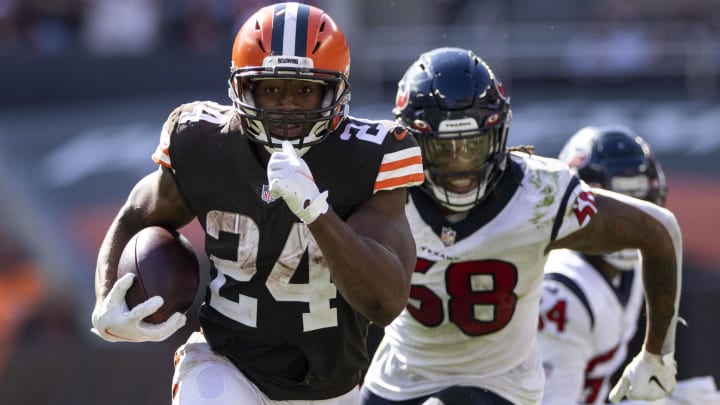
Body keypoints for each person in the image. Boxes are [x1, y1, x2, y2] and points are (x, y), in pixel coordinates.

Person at [90, 2, 425, 404]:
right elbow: (136, 216)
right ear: (241, 88)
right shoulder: (204, 143)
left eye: (304, 90)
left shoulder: (372, 156)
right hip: (226, 361)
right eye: (271, 89)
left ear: (336, 90)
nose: (286, 105)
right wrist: (106, 297)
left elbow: (384, 301)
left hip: (329, 385)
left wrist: (317, 213)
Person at [359, 47, 682, 405]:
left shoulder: (540, 194)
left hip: (500, 384)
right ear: (413, 142)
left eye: (474, 146)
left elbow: (658, 229)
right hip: (400, 378)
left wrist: (657, 354)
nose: (460, 167)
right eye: (443, 150)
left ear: (498, 136)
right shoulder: (383, 186)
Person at [537, 125, 667, 404]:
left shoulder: (631, 273)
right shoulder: (561, 290)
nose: (629, 223)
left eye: (639, 205)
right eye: (615, 208)